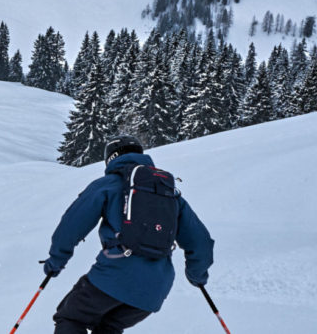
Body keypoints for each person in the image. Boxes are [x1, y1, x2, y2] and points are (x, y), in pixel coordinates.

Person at [42, 136, 214, 334]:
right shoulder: (169, 193)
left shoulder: (108, 184)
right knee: (109, 326)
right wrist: (197, 276)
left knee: (71, 317)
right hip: (154, 290)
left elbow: (71, 224)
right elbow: (201, 243)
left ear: (111, 158)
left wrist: (56, 260)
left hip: (114, 274)